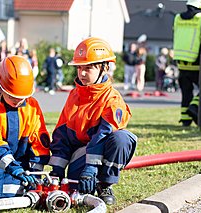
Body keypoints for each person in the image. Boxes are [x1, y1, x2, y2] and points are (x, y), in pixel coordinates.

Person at [48, 37, 137, 205]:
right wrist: (57, 171)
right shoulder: (74, 96)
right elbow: (62, 134)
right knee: (76, 183)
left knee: (122, 138)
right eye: (79, 67)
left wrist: (91, 168)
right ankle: (88, 181)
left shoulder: (113, 99)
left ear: (104, 68)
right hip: (80, 158)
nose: (81, 73)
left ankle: (105, 184)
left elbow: (102, 137)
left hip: (100, 154)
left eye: (87, 68)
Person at [0, 55, 50, 200]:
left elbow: (39, 141)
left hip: (21, 163)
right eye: (13, 97)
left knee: (14, 188)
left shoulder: (32, 106)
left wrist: (35, 173)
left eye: (22, 98)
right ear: (1, 87)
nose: (18, 101)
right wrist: (12, 167)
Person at [173, 0, 201, 126]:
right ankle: (194, 106)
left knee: (186, 92)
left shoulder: (177, 18)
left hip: (181, 61)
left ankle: (185, 120)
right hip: (196, 62)